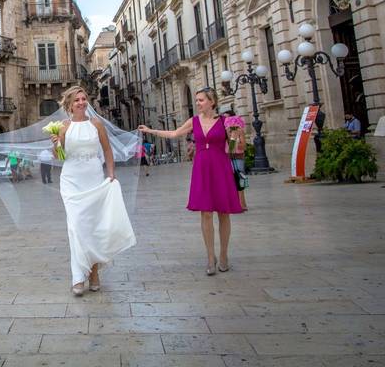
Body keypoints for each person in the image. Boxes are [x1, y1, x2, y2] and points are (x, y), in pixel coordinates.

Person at [139, 87, 242, 276]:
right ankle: (211, 258)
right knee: (206, 214)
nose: (197, 103)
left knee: (223, 213)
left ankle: (224, 255)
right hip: (202, 168)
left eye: (201, 100)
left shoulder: (225, 121)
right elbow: (174, 134)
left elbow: (234, 149)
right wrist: (150, 130)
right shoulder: (194, 121)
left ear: (212, 101)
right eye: (196, 100)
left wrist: (235, 135)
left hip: (221, 167)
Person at [49, 86, 136, 296]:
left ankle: (94, 273)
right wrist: (55, 145)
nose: (81, 102)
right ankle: (78, 277)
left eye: (84, 98)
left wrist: (111, 173)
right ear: (69, 105)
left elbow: (107, 149)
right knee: (76, 228)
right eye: (77, 100)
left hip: (94, 179)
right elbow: (59, 157)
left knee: (94, 228)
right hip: (71, 181)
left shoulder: (96, 124)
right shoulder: (63, 127)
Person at [223, 110, 248, 211]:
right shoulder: (224, 131)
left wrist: (233, 138)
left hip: (237, 158)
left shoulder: (238, 130)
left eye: (227, 118)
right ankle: (233, 203)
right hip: (226, 158)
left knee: (239, 181)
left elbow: (243, 146)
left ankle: (242, 204)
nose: (226, 120)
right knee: (230, 182)